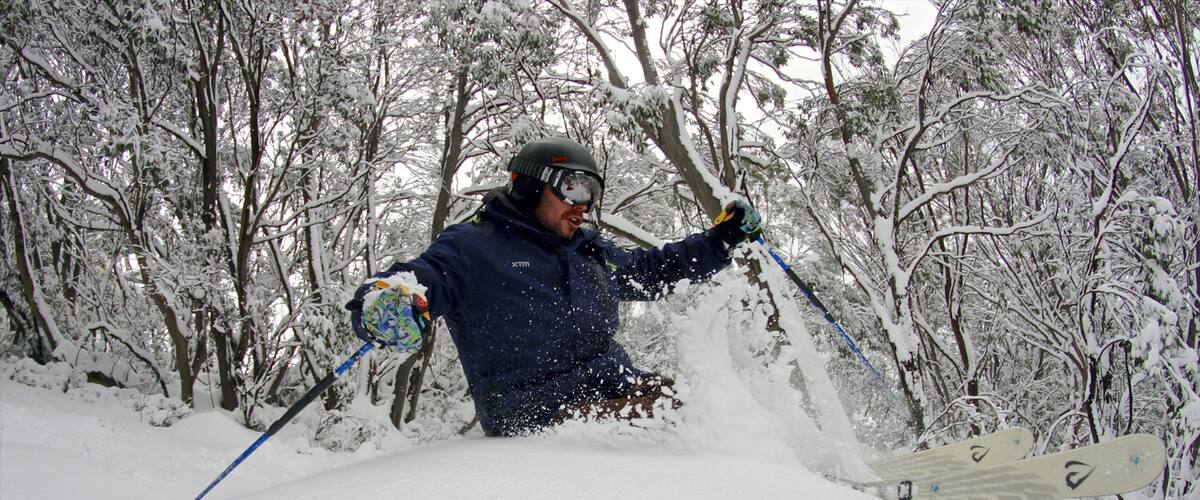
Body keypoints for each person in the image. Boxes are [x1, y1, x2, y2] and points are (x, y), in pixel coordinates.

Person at [346, 137, 762, 437]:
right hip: (533, 412)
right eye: (573, 188)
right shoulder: (474, 247)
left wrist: (718, 242)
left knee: (708, 407)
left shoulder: (586, 250)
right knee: (671, 423)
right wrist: (386, 303)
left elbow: (649, 272)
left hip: (610, 384)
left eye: (592, 192)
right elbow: (423, 278)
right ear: (529, 186)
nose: (583, 204)